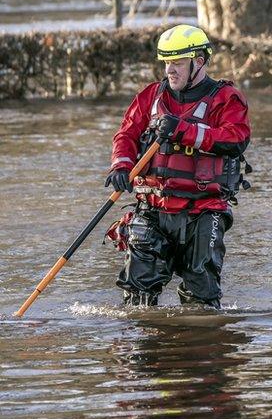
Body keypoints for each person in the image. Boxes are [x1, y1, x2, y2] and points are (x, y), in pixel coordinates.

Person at [105, 24, 251, 308]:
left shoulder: (226, 98)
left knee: (202, 297)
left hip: (204, 210)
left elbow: (236, 139)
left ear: (199, 62)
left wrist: (182, 130)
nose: (170, 70)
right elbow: (126, 135)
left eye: (178, 63)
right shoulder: (149, 96)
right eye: (167, 63)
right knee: (137, 296)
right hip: (152, 209)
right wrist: (121, 165)